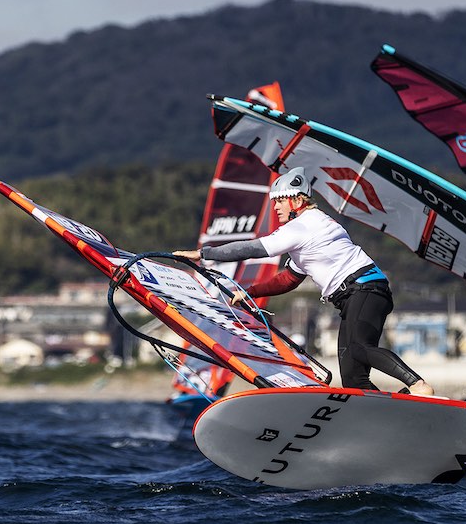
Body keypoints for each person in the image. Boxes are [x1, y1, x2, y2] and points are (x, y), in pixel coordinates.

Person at [174, 167, 435, 396]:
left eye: (279, 202)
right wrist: (251, 292)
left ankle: (418, 385)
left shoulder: (304, 226)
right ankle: (385, 413)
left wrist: (204, 254)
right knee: (353, 377)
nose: (275, 208)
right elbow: (288, 279)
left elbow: (253, 248)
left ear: (297, 200)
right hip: (357, 295)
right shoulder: (307, 234)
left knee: (359, 348)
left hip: (365, 288)